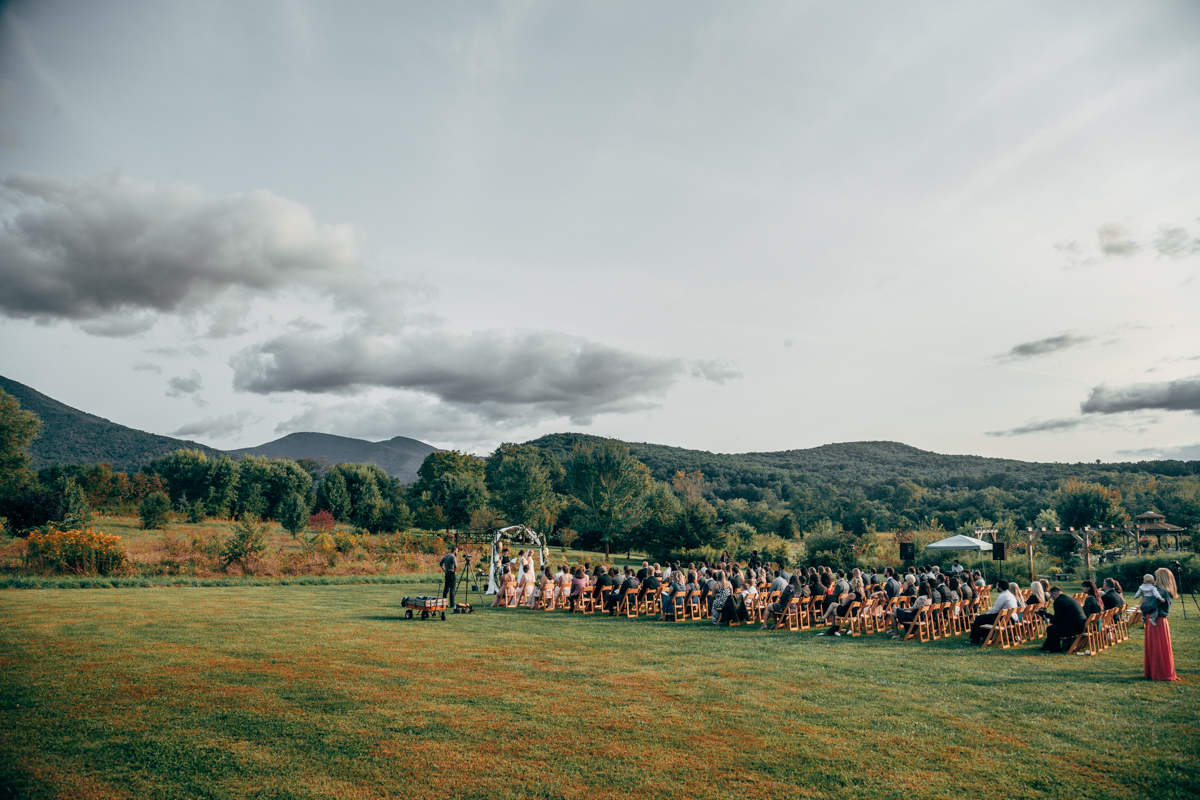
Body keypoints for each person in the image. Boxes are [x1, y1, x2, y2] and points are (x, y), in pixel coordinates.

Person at [1144, 567, 1179, 681]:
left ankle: (1159, 672)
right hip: (1158, 620)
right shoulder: (1162, 590)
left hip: (1157, 621)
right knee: (1156, 646)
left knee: (1157, 647)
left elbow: (1149, 605)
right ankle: (1157, 671)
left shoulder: (1161, 591)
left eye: (1156, 577)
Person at [1040, 586, 1086, 653]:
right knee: (1053, 628)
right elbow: (1059, 616)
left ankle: (1055, 649)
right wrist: (1046, 615)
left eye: (1051, 596)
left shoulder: (1058, 601)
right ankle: (1046, 647)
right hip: (1080, 624)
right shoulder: (1068, 598)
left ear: (1054, 593)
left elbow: (1058, 619)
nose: (1052, 598)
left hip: (1074, 627)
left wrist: (1048, 620)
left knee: (1051, 629)